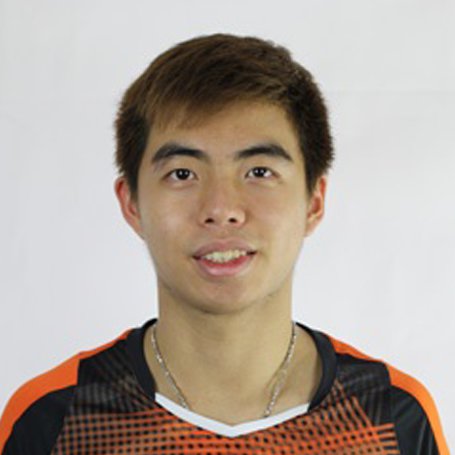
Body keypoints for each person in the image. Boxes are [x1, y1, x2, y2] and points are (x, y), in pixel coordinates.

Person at [0, 33, 449, 454]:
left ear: (314, 201)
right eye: (182, 174)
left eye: (259, 171)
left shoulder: (392, 415)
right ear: (132, 204)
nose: (221, 208)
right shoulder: (53, 417)